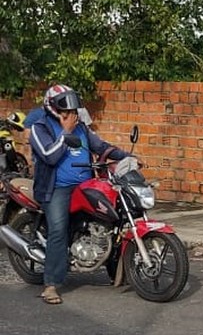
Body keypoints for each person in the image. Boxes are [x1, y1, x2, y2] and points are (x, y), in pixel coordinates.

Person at [29, 85, 128, 306]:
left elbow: (101, 146)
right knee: (58, 230)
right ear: (53, 106)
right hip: (55, 189)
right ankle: (51, 285)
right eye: (66, 107)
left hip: (85, 185)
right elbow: (49, 156)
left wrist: (127, 157)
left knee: (112, 217)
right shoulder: (41, 127)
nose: (71, 112)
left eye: (73, 107)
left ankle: (114, 269)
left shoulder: (81, 127)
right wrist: (65, 133)